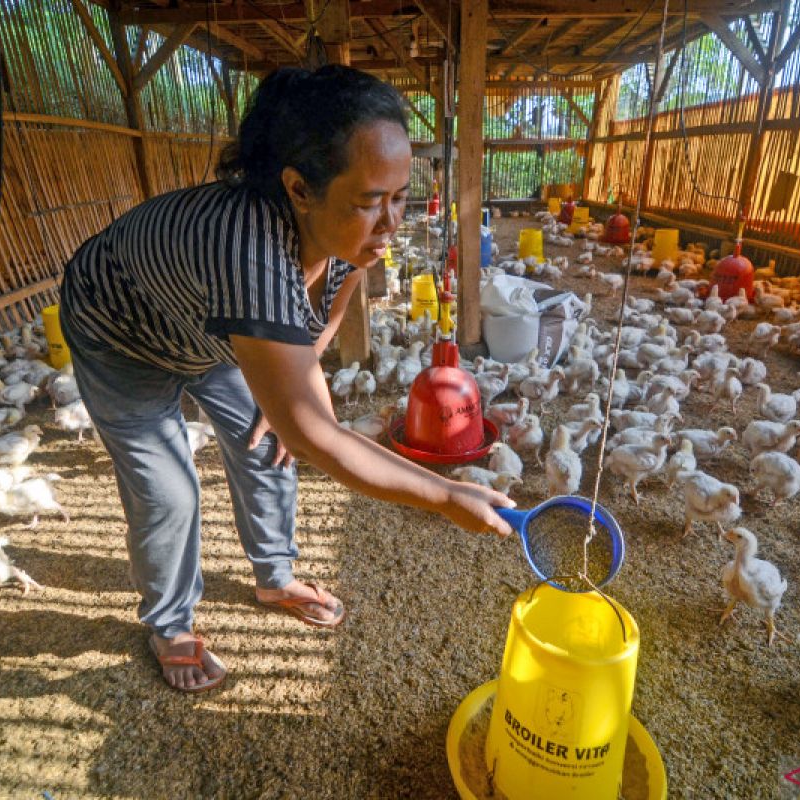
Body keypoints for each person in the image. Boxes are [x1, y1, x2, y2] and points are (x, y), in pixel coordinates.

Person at [59, 65, 514, 693]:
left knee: (270, 446)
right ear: (300, 188)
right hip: (121, 335)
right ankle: (169, 622)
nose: (391, 223)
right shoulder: (246, 252)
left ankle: (273, 577)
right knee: (169, 491)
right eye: (368, 200)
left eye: (400, 196)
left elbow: (324, 319)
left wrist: (290, 401)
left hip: (213, 328)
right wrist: (444, 495)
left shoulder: (349, 236)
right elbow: (318, 437)